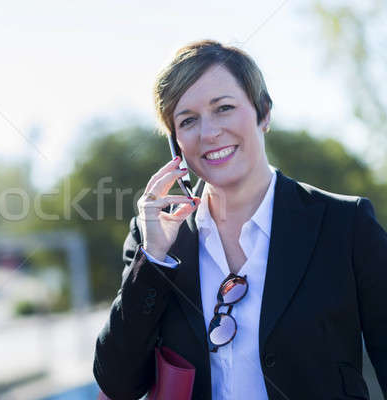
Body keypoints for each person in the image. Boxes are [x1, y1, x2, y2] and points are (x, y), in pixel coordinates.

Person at [93, 39, 387, 400]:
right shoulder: (154, 240)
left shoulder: (346, 224)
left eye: (224, 108)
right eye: (188, 120)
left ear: (263, 112)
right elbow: (117, 384)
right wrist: (152, 260)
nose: (209, 132)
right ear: (175, 144)